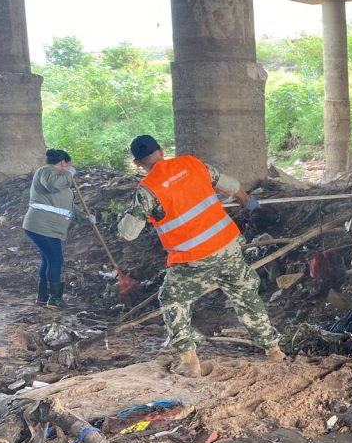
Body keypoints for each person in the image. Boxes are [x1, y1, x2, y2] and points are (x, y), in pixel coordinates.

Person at [117, 135, 286, 377]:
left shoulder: (148, 189)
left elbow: (128, 234)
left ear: (137, 163)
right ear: (161, 150)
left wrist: (122, 226)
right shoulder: (191, 163)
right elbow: (231, 186)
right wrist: (247, 201)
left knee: (172, 298)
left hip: (194, 258)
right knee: (246, 295)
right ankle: (273, 350)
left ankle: (189, 361)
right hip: (228, 246)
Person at [23, 149, 89, 308]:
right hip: (42, 226)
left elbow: (62, 204)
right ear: (63, 163)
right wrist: (69, 174)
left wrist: (84, 217)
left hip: (48, 227)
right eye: (67, 165)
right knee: (55, 260)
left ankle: (43, 296)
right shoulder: (47, 171)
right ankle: (54, 299)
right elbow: (52, 185)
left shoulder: (59, 178)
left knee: (48, 260)